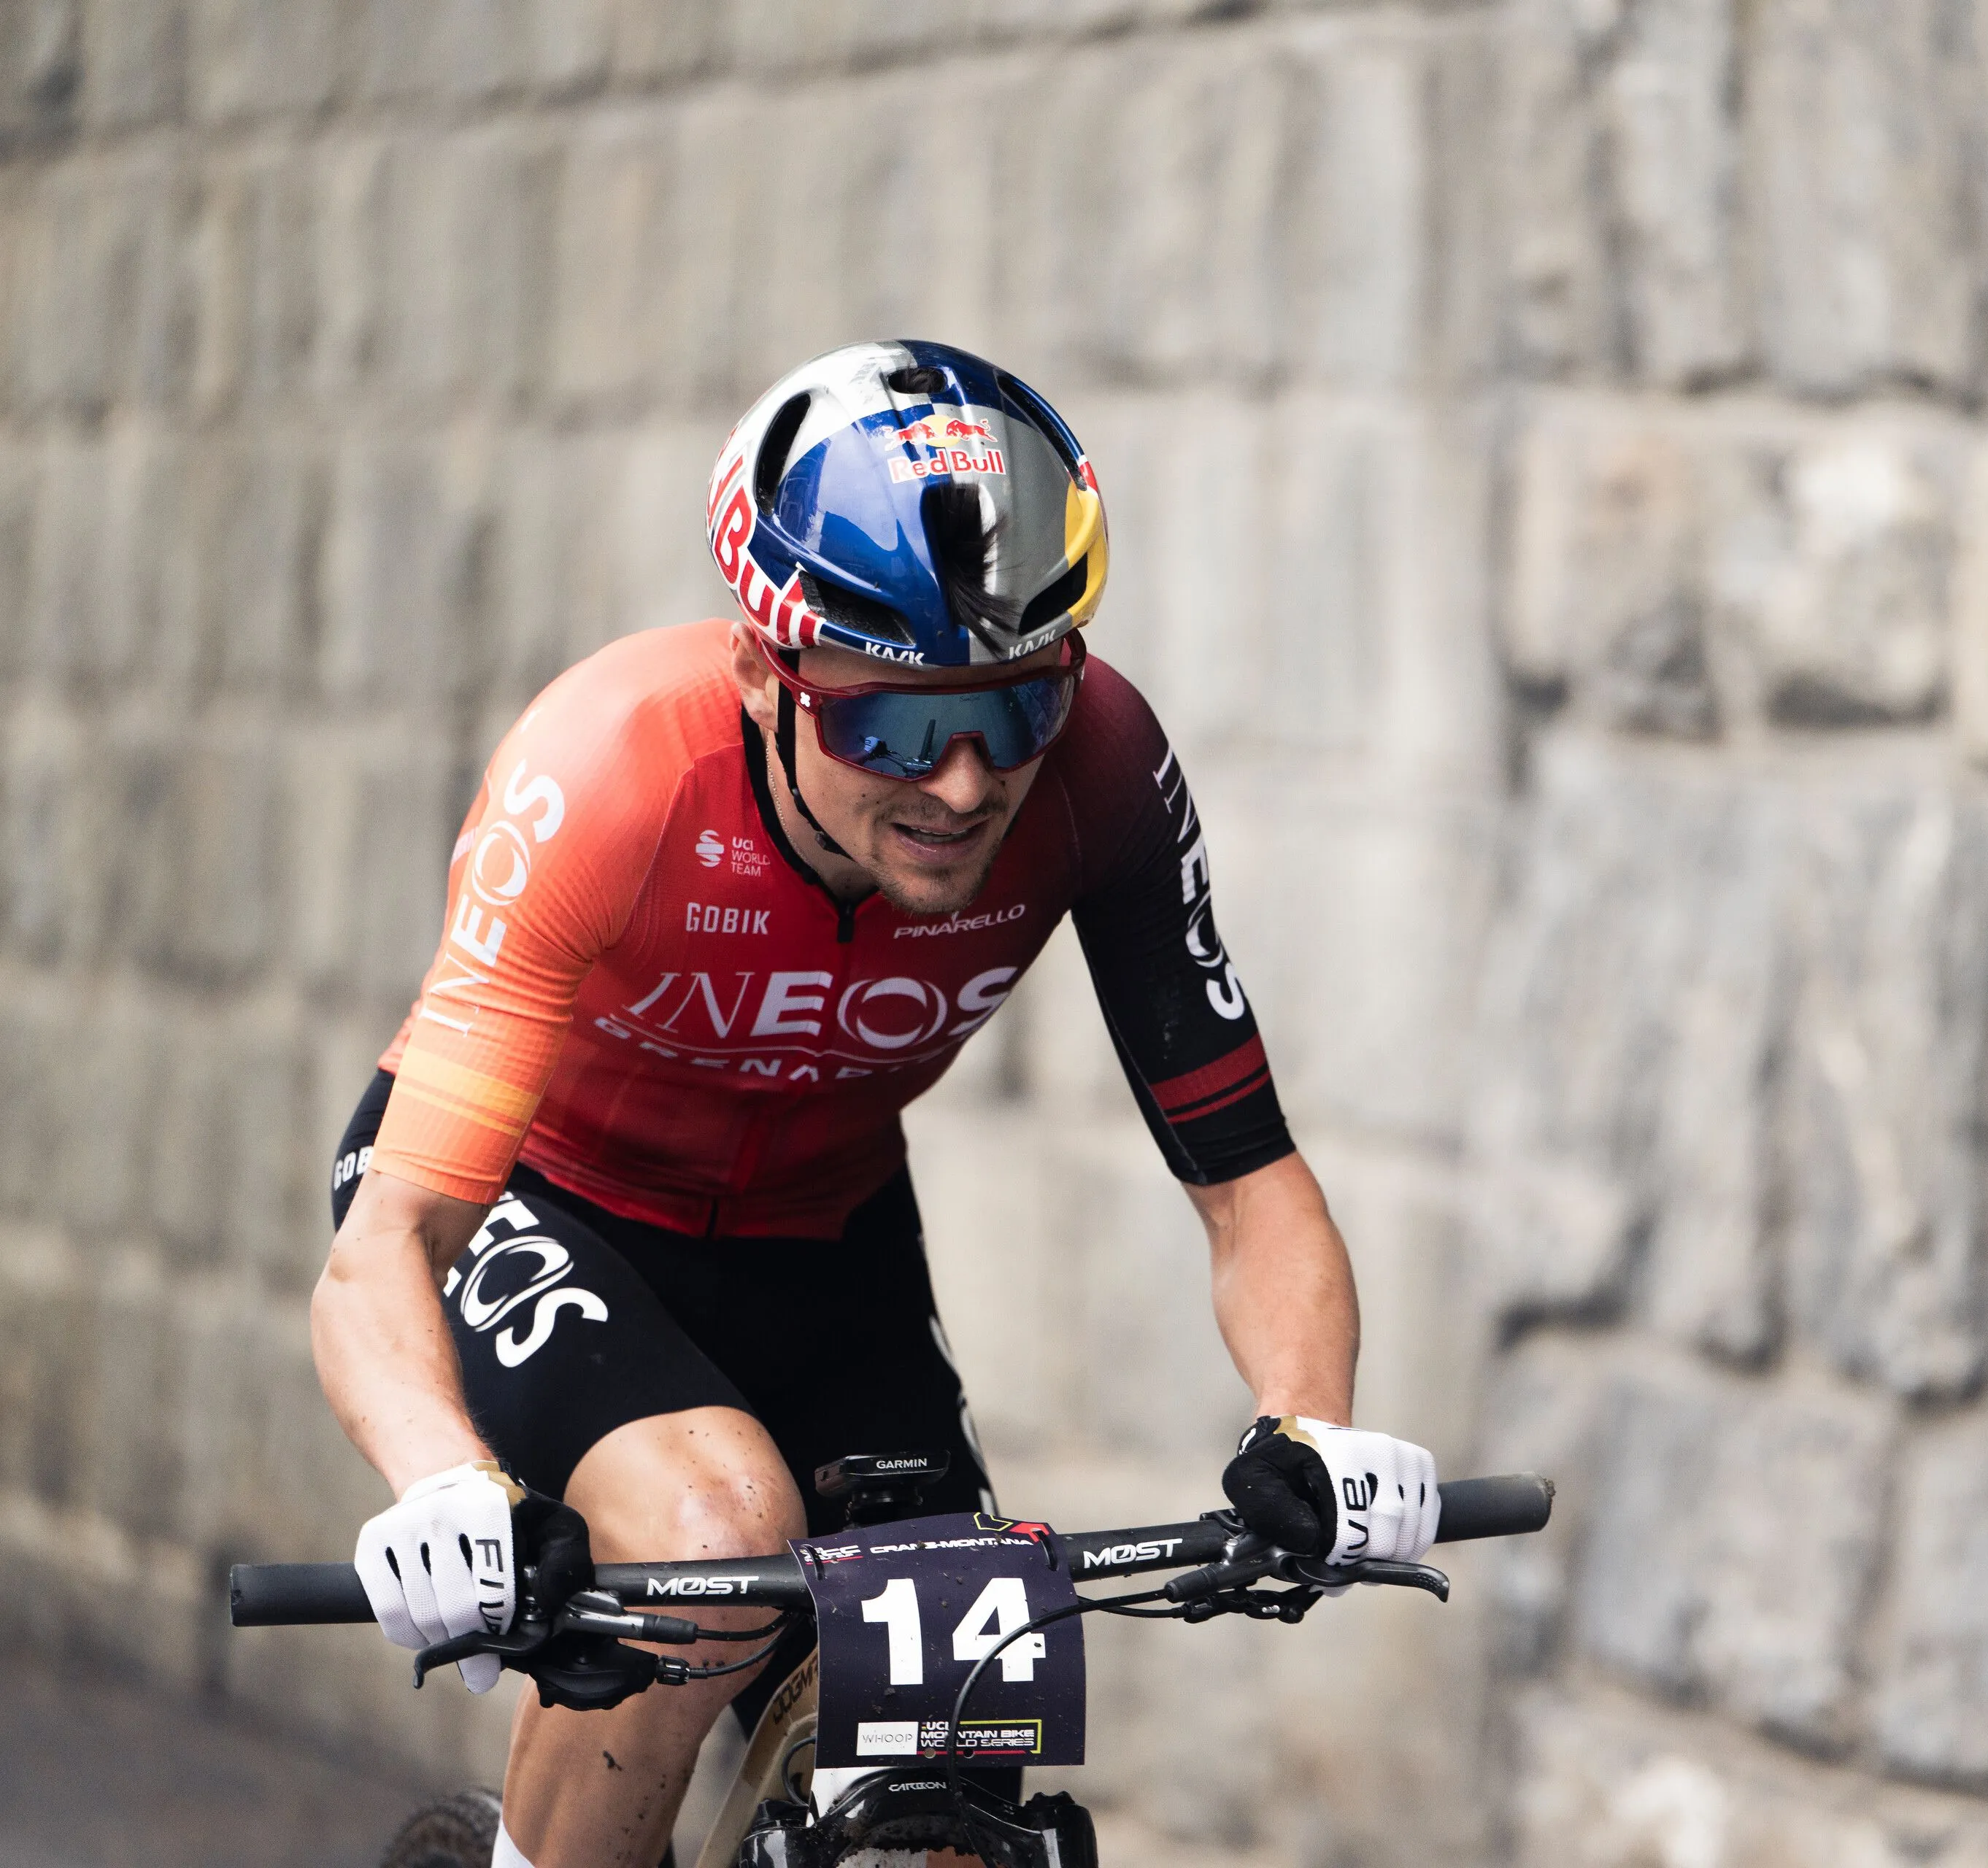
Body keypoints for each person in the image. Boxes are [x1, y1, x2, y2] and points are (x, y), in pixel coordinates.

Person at [310, 341, 1438, 1868]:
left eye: (1015, 714)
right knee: (714, 1531)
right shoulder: (612, 774)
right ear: (764, 672)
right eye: (895, 730)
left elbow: (1250, 1183)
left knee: (963, 1731)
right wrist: (446, 1485)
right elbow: (394, 1232)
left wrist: (1312, 1423)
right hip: (546, 1204)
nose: (968, 786)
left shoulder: (1103, 773)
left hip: (823, 1234)